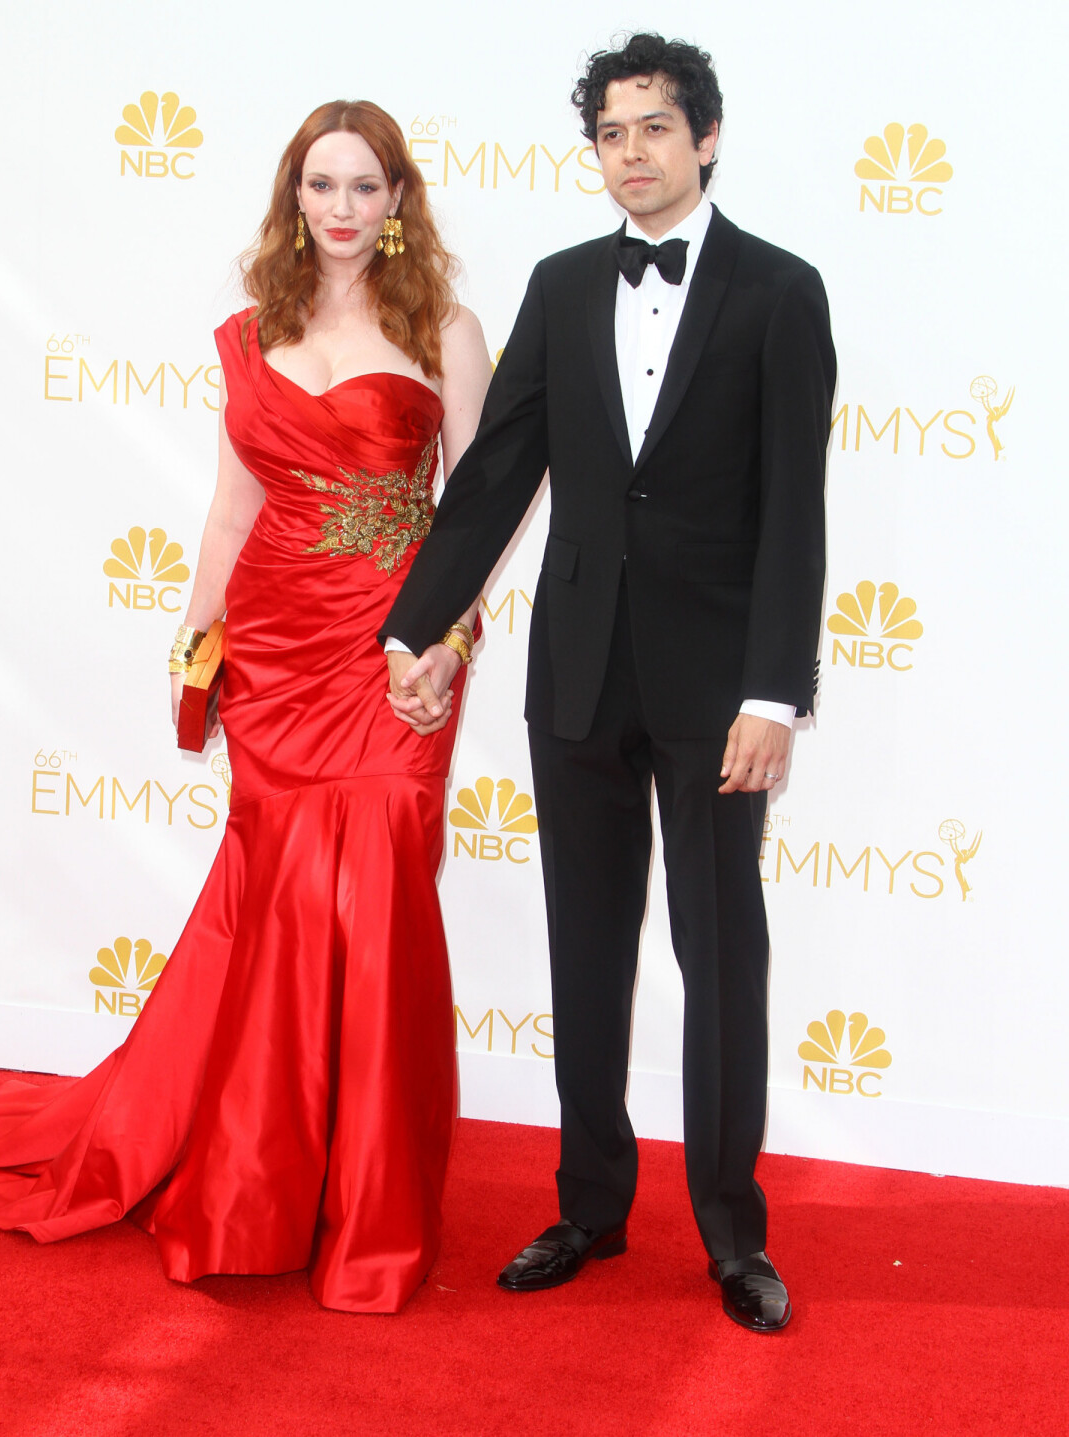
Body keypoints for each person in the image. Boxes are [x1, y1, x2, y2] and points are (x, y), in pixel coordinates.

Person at [0, 101, 492, 1315]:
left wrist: (450, 642)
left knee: (380, 902)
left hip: (396, 659)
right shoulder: (253, 330)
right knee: (277, 902)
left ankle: (371, 1199)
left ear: (401, 201)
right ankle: (260, 1179)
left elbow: (479, 505)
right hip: (273, 647)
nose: (345, 208)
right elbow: (228, 511)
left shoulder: (449, 332)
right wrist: (199, 642)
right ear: (294, 197)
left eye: (368, 187)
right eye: (323, 185)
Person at [382, 35, 836, 1332]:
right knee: (585, 951)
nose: (630, 151)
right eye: (611, 132)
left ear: (706, 139)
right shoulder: (564, 283)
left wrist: (775, 694)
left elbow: (794, 518)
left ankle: (733, 1233)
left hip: (717, 693)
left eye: (654, 128)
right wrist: (414, 627)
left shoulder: (778, 293)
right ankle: (588, 1205)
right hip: (575, 672)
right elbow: (498, 473)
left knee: (720, 957)